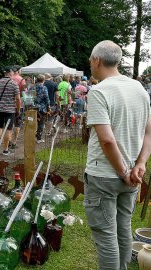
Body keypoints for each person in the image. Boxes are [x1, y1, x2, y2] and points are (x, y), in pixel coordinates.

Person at [84, 40, 151, 270]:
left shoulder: (99, 91)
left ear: (96, 60)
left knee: (106, 237)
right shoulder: (139, 88)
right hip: (132, 175)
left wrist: (123, 171)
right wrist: (140, 163)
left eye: (90, 61)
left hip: (106, 175)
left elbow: (107, 139)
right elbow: (149, 132)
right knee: (123, 229)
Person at [0, 66, 21, 155]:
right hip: (10, 110)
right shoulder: (13, 84)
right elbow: (18, 99)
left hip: (0, 109)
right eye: (13, 72)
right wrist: (18, 110)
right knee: (8, 129)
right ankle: (5, 149)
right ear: (10, 73)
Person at [10, 65, 27, 148]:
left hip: (8, 104)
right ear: (18, 70)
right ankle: (14, 142)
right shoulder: (21, 80)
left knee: (10, 124)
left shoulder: (9, 79)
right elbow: (24, 92)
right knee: (18, 123)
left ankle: (9, 140)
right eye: (21, 70)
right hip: (18, 104)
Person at [34, 74, 50, 143]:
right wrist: (48, 107)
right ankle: (39, 138)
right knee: (41, 123)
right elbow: (46, 98)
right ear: (43, 80)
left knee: (33, 122)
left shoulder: (32, 87)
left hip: (33, 107)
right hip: (41, 108)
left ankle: (31, 135)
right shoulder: (44, 87)